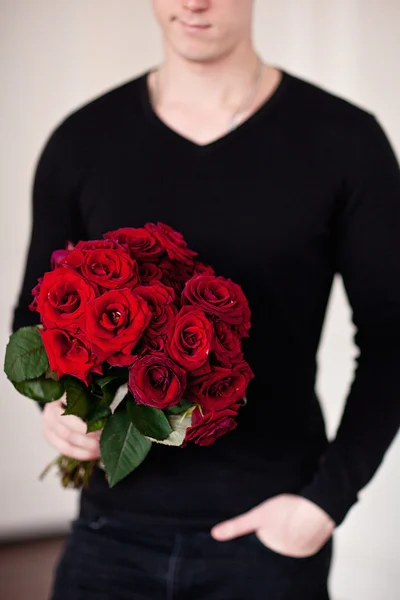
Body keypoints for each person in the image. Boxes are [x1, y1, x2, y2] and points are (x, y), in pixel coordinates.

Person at [11, 1, 400, 598]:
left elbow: (390, 341)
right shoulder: (82, 140)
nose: (195, 1)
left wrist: (324, 503)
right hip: (107, 534)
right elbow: (35, 323)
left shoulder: (345, 142)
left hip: (268, 542)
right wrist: (54, 408)